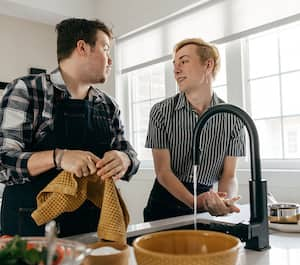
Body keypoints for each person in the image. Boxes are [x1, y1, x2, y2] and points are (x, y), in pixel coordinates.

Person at [0, 18, 140, 236]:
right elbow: (4, 162)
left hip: (91, 227)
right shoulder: (28, 90)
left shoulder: (108, 105)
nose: (110, 60)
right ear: (82, 47)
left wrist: (125, 160)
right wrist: (59, 157)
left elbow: (130, 153)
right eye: (105, 48)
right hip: (30, 228)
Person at [144, 38, 245, 222]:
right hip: (163, 206)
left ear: (208, 65)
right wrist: (193, 202)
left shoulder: (233, 118)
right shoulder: (160, 112)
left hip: (206, 206)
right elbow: (163, 171)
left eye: (183, 61)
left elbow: (229, 175)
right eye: (175, 64)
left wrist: (223, 200)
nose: (176, 70)